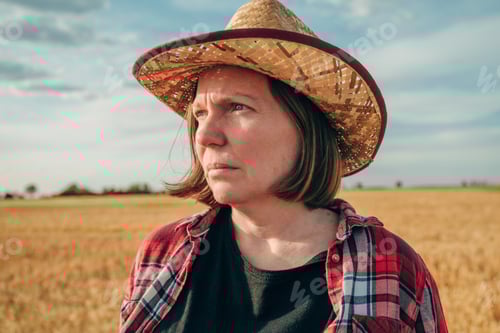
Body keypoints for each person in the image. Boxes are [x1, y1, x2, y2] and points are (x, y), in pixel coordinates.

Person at [119, 0, 448, 332]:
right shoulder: (161, 254)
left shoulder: (387, 268)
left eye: (236, 107)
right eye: (200, 114)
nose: (204, 135)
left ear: (305, 127)